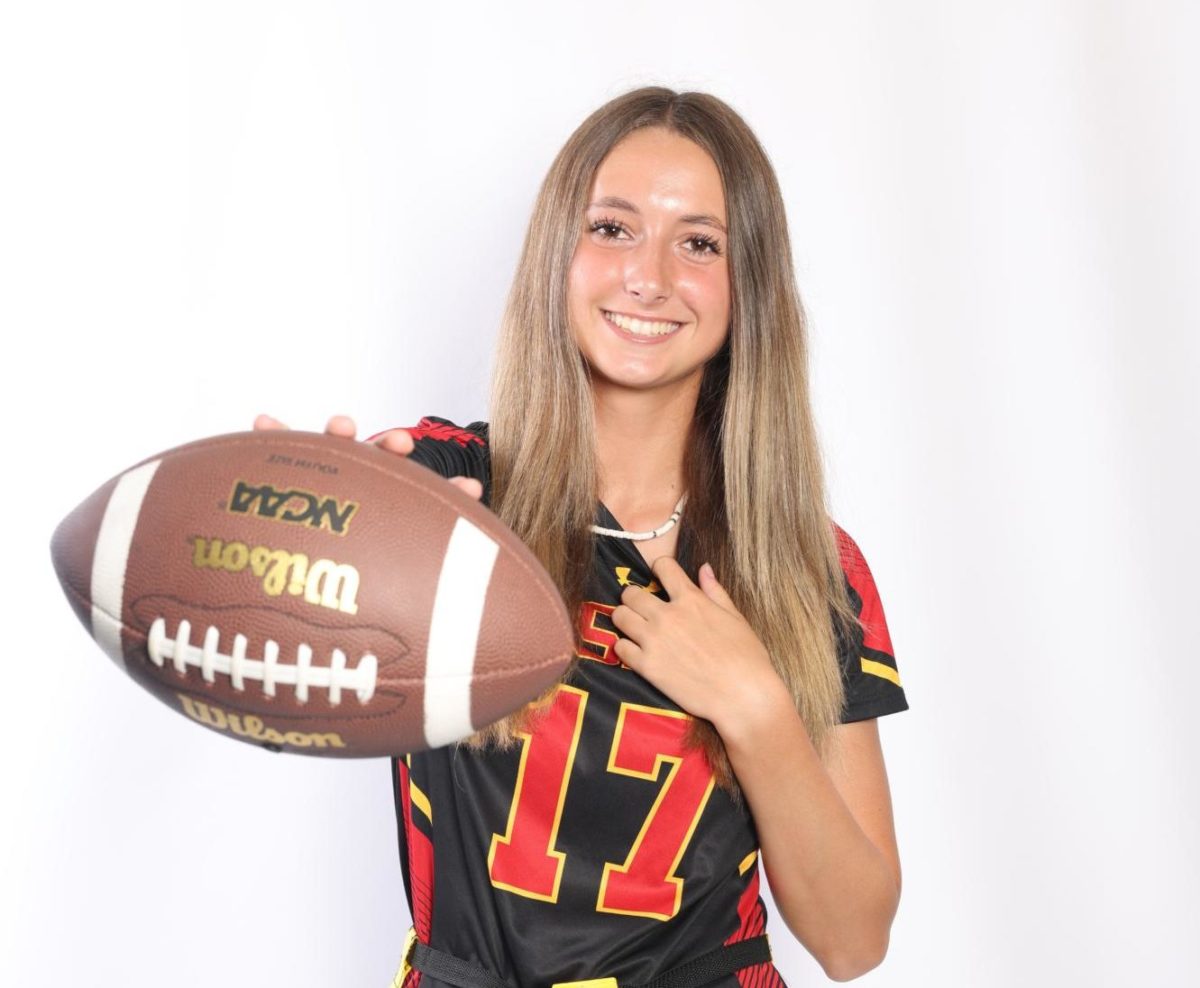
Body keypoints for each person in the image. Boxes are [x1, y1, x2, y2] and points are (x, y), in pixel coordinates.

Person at [258, 86, 907, 987]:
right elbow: (297, 612)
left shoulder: (805, 565)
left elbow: (852, 940)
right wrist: (296, 536)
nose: (650, 276)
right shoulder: (452, 490)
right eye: (612, 228)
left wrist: (756, 707)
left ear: (746, 284)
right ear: (557, 254)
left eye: (699, 243)